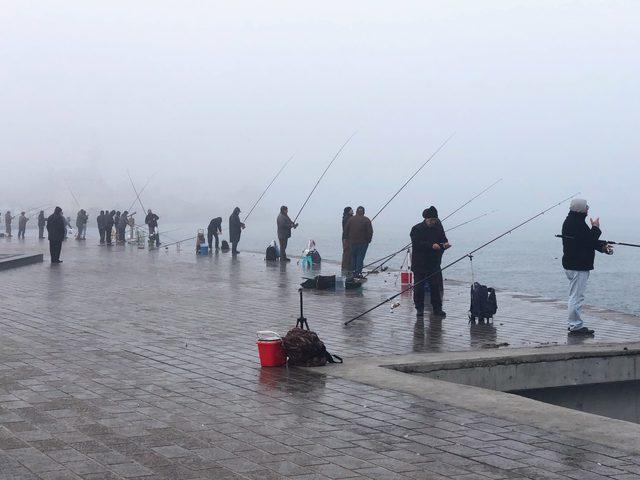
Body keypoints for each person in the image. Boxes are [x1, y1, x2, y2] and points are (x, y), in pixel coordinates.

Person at [561, 198, 612, 335]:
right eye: (586, 207)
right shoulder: (576, 223)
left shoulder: (572, 222)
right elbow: (589, 240)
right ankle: (575, 326)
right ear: (580, 208)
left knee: (575, 295)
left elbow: (585, 241)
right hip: (578, 265)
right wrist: (595, 228)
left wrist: (602, 247)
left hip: (573, 264)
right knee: (576, 297)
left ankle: (574, 324)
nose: (588, 208)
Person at [410, 206, 451, 318]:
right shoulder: (416, 229)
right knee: (419, 287)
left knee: (435, 286)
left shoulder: (438, 228)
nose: (433, 222)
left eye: (435, 220)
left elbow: (443, 239)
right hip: (420, 264)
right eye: (431, 220)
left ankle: (437, 309)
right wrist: (431, 245)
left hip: (434, 263)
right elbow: (417, 244)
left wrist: (445, 244)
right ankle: (419, 309)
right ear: (426, 219)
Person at [344, 206, 373, 277]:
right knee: (360, 257)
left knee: (353, 257)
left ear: (356, 211)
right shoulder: (366, 220)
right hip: (363, 243)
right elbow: (370, 232)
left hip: (352, 242)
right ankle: (358, 273)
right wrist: (368, 240)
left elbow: (346, 230)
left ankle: (354, 272)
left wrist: (348, 239)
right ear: (364, 212)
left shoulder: (351, 219)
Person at [341, 207, 353, 271]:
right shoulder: (348, 218)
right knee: (347, 252)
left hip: (345, 237)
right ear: (348, 211)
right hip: (347, 238)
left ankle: (345, 266)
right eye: (351, 210)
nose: (352, 211)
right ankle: (346, 266)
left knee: (346, 252)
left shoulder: (346, 218)